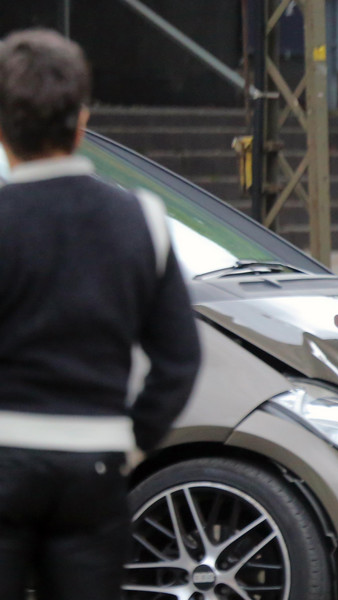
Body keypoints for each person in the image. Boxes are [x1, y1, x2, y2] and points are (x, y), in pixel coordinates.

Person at [0, 29, 201, 599]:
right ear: (83, 120)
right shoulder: (142, 218)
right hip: (94, 465)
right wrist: (130, 440)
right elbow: (179, 360)